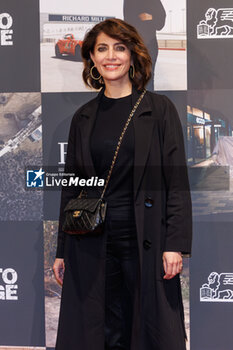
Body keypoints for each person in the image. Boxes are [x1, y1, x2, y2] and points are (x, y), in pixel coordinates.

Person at [53, 18, 192, 350]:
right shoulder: (83, 117)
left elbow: (175, 181)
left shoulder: (159, 110)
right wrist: (61, 250)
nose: (110, 56)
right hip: (91, 241)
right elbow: (73, 188)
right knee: (100, 328)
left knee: (146, 327)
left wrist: (175, 243)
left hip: (144, 238)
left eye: (119, 47)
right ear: (92, 58)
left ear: (132, 55)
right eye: (102, 48)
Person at [124, 0, 166, 91]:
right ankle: (135, 104)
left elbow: (161, 22)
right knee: (134, 77)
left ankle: (147, 104)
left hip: (150, 45)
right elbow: (127, 21)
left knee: (149, 78)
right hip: (134, 45)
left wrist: (150, 17)